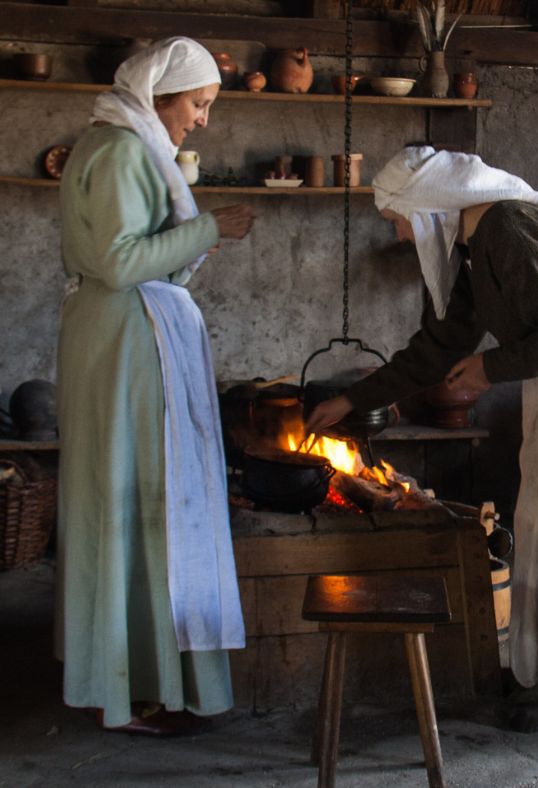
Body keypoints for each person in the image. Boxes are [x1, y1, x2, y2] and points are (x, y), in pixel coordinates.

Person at [305, 146, 538, 736]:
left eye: (396, 219)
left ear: (428, 204)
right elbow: (439, 346)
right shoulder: (474, 247)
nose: (401, 236)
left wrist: (488, 369)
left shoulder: (507, 226)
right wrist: (354, 400)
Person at [55, 37, 254, 735]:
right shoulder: (118, 151)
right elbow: (118, 261)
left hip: (126, 335)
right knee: (135, 496)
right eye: (197, 104)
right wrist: (207, 228)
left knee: (134, 496)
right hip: (124, 339)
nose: (201, 119)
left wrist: (198, 236)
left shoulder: (125, 146)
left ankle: (142, 679)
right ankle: (132, 688)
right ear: (160, 99)